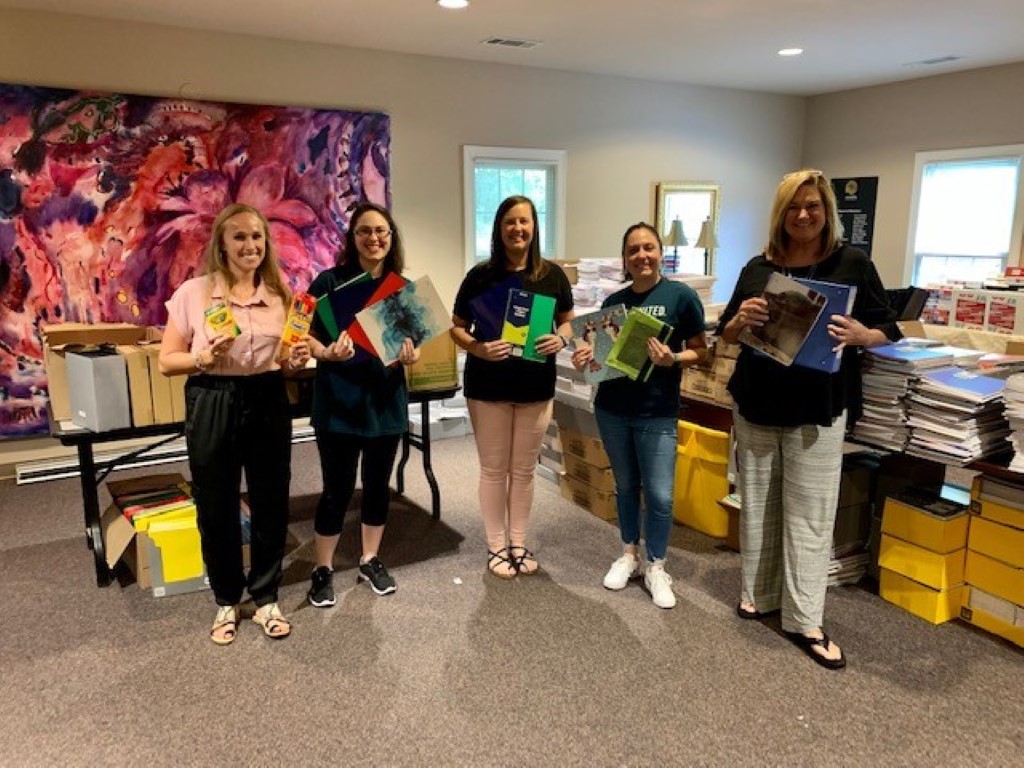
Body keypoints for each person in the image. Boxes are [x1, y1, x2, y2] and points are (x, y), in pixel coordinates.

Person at [717, 169, 899, 669]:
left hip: (817, 407)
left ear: (826, 212)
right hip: (756, 401)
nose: (803, 215)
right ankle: (758, 594)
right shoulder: (759, 267)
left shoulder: (851, 263)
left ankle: (805, 619)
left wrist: (864, 335)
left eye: (813, 206)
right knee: (758, 504)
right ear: (780, 213)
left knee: (810, 514)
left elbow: (891, 326)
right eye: (794, 207)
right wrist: (740, 321)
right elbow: (727, 334)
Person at [159, 203, 311, 645]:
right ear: (222, 245)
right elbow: (168, 361)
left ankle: (265, 597)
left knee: (270, 500)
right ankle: (227, 598)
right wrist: (202, 357)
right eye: (240, 237)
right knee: (216, 502)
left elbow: (287, 362)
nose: (250, 245)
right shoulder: (194, 293)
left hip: (266, 397)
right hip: (212, 396)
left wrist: (298, 361)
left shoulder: (282, 295)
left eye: (257, 237)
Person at [571, 223, 708, 609]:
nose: (641, 255)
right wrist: (586, 359)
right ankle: (629, 553)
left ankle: (657, 564)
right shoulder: (613, 301)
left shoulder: (680, 297)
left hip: (657, 412)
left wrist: (674, 358)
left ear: (659, 253)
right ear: (625, 260)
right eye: (633, 250)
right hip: (612, 409)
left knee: (661, 496)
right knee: (626, 486)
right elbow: (599, 361)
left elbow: (703, 350)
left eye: (648, 248)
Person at [451, 195, 574, 578]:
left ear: (534, 227)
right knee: (493, 470)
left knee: (523, 471)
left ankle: (518, 543)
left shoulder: (552, 275)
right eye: (510, 222)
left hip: (536, 385)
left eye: (524, 222)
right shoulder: (480, 275)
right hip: (488, 384)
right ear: (499, 228)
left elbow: (568, 322)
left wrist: (562, 339)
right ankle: (496, 547)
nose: (517, 229)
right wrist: (477, 347)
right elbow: (456, 326)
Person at [304, 202, 420, 606]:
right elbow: (302, 336)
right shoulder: (328, 283)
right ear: (352, 238)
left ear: (391, 238)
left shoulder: (401, 289)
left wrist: (411, 357)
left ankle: (370, 559)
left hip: (384, 403)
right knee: (335, 489)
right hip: (337, 402)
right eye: (365, 231)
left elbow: (411, 346)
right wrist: (326, 353)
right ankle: (323, 567)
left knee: (376, 486)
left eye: (382, 232)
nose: (375, 238)